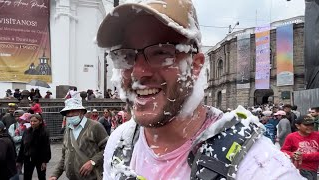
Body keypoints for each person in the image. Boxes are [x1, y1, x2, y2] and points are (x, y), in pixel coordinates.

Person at [96, 0, 304, 179]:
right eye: (126, 56)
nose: (138, 72)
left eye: (161, 52)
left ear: (195, 66)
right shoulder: (121, 142)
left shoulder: (259, 166)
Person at [49, 98, 108, 180]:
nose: (70, 114)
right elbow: (64, 156)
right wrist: (55, 175)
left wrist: (92, 162)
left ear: (81, 112)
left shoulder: (95, 126)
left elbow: (108, 149)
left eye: (73, 111)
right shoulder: (68, 130)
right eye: (68, 112)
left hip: (92, 177)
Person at [281, 115, 319, 180]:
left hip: (314, 169)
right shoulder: (291, 137)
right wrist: (293, 154)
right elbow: (283, 151)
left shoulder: (317, 135)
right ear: (298, 126)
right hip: (300, 169)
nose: (310, 127)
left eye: (311, 124)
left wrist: (303, 156)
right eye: (306, 125)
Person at [17, 114, 51, 180]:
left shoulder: (44, 132)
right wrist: (19, 160)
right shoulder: (27, 131)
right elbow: (22, 146)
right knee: (26, 176)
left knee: (41, 177)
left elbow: (46, 147)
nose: (32, 123)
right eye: (31, 121)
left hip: (40, 159)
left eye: (35, 121)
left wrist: (45, 161)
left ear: (40, 121)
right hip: (28, 158)